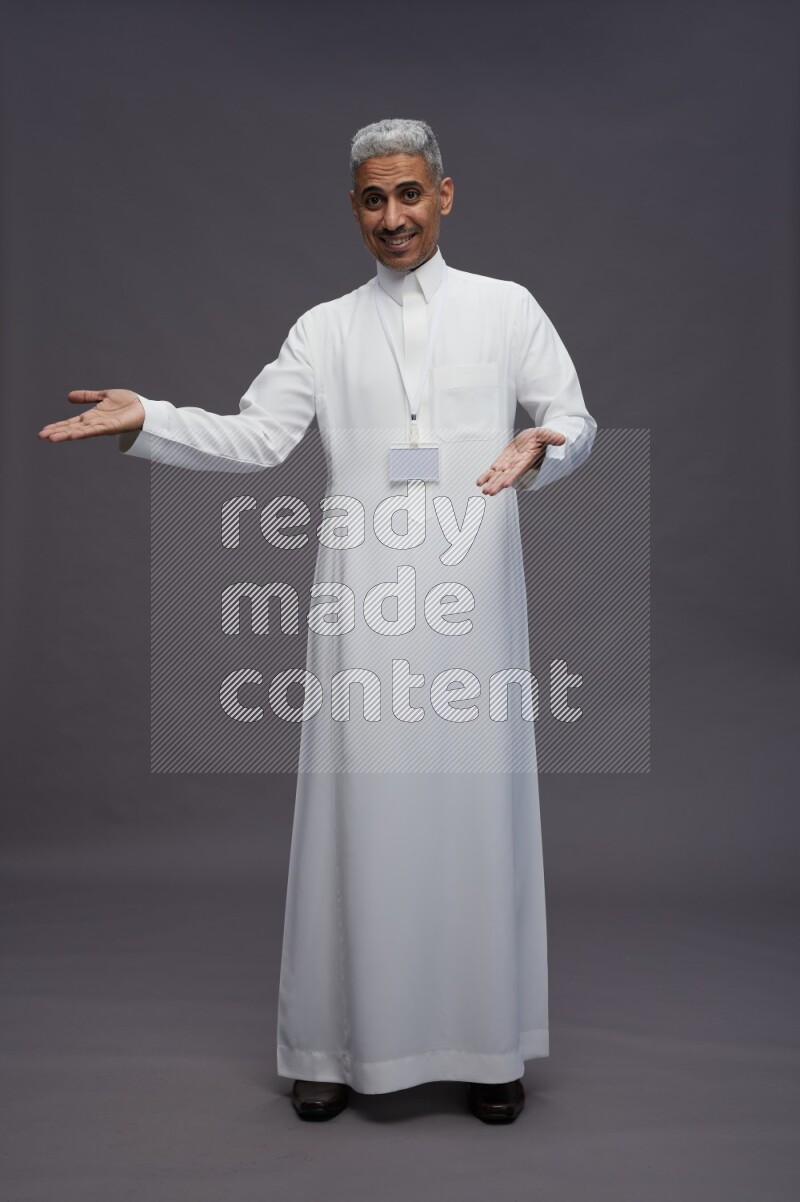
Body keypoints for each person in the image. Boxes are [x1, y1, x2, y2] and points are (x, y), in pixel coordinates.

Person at [39, 118, 596, 1124]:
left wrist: (542, 443)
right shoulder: (325, 328)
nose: (394, 217)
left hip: (472, 604)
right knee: (358, 813)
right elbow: (257, 437)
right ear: (353, 207)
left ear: (445, 194)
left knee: (476, 813)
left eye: (410, 195)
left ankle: (487, 1044)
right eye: (374, 199)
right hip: (362, 603)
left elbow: (573, 414)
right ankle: (332, 1045)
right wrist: (148, 418)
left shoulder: (505, 309)